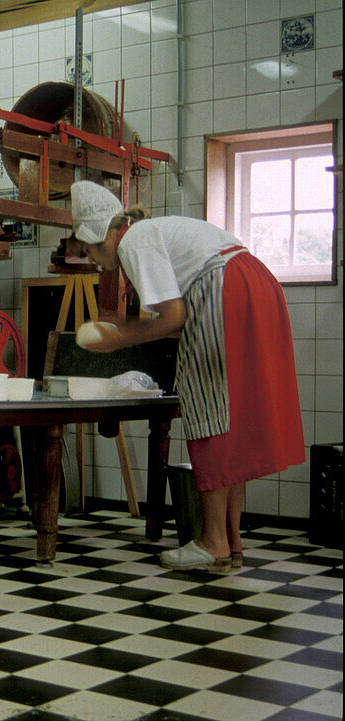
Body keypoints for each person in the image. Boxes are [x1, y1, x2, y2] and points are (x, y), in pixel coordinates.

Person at [66, 180, 305, 573]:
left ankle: (212, 541)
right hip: (255, 284)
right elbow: (178, 320)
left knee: (205, 410)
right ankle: (230, 538)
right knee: (228, 415)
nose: (91, 258)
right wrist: (127, 329)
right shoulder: (152, 233)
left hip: (225, 288)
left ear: (103, 233)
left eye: (89, 247)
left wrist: (120, 337)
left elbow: (173, 318)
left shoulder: (132, 243)